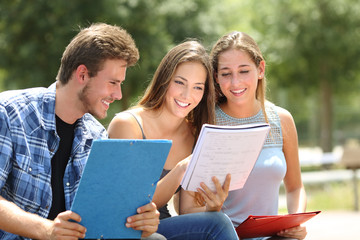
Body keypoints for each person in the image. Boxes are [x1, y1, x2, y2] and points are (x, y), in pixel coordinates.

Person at [0, 23, 165, 240]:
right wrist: (46, 230)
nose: (117, 94)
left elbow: (105, 214)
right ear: (83, 74)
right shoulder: (10, 113)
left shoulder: (96, 135)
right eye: (113, 83)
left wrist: (142, 220)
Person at [179, 31, 308, 240]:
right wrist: (211, 210)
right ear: (216, 77)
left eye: (244, 71)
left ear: (260, 69)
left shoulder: (281, 120)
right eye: (226, 73)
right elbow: (185, 208)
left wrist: (296, 221)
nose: (235, 82)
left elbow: (295, 188)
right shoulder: (204, 123)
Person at [108, 40, 239, 240]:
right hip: (130, 229)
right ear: (165, 79)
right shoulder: (128, 125)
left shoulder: (195, 134)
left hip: (165, 228)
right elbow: (133, 207)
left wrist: (212, 207)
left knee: (218, 219)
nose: (187, 95)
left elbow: (187, 211)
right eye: (180, 82)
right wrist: (180, 170)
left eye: (197, 87)